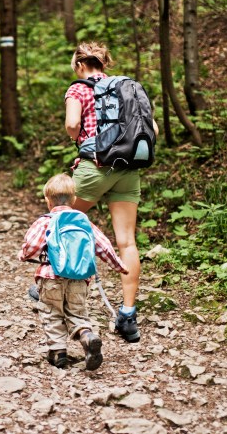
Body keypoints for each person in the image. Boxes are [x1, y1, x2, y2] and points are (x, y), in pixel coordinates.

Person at [64, 42, 159, 343]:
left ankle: (52, 286)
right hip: (128, 169)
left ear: (79, 64)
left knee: (62, 221)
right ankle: (128, 316)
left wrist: (77, 137)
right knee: (127, 242)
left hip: (94, 166)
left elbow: (72, 123)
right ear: (105, 64)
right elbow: (152, 129)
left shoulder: (78, 89)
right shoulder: (125, 87)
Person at [18, 174, 128, 370]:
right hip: (79, 279)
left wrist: (23, 255)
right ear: (74, 199)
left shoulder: (45, 221)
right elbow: (104, 245)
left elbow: (32, 245)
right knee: (77, 313)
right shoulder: (83, 221)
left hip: (50, 277)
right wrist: (119, 266)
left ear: (47, 200)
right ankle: (86, 335)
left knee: (52, 312)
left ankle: (58, 352)